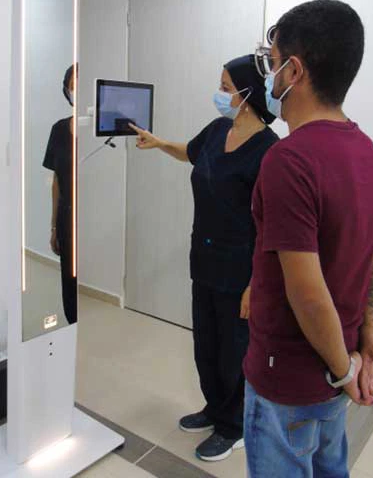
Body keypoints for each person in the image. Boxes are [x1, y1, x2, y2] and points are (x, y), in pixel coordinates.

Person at [243, 0, 373, 477]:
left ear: (294, 71)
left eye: (272, 63)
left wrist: (345, 372)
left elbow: (306, 293)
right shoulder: (365, 149)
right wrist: (365, 336)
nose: (269, 77)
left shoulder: (288, 160)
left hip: (289, 381)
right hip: (337, 364)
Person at [130, 55, 279, 462]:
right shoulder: (217, 131)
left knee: (235, 352)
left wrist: (256, 283)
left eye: (226, 87)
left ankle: (234, 426)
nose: (219, 94)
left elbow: (272, 227)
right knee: (206, 345)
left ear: (246, 95)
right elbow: (192, 153)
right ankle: (215, 408)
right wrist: (160, 143)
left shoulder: (269, 151)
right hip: (205, 261)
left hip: (241, 271)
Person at [43, 64, 78, 325]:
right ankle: (72, 327)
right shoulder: (58, 130)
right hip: (67, 219)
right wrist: (54, 226)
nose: (77, 90)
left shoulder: (98, 132)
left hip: (92, 219)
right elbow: (56, 181)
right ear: (66, 90)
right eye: (73, 85)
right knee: (69, 280)